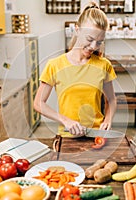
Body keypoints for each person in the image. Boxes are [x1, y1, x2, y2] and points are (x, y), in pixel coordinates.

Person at [34, 1, 117, 137]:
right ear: (77, 30)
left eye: (99, 42)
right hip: (67, 137)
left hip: (96, 136)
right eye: (89, 39)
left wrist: (107, 120)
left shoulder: (104, 65)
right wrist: (65, 120)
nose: (93, 46)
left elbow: (112, 100)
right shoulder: (55, 65)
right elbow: (38, 103)